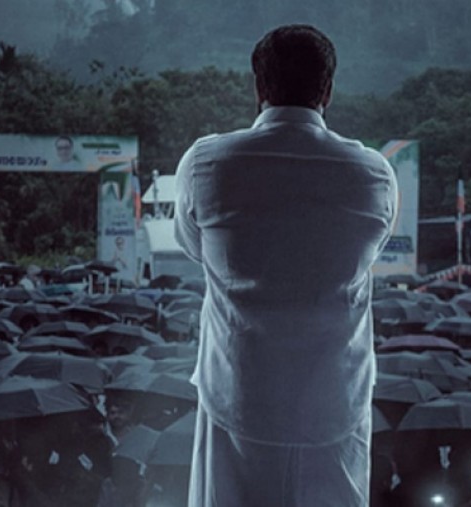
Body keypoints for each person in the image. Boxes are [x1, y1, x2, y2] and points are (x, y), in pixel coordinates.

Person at [174, 24, 398, 507]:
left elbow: (193, 247)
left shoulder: (206, 164)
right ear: (327, 90)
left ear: (259, 86)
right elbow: (368, 254)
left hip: (236, 393)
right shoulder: (373, 175)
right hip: (334, 400)